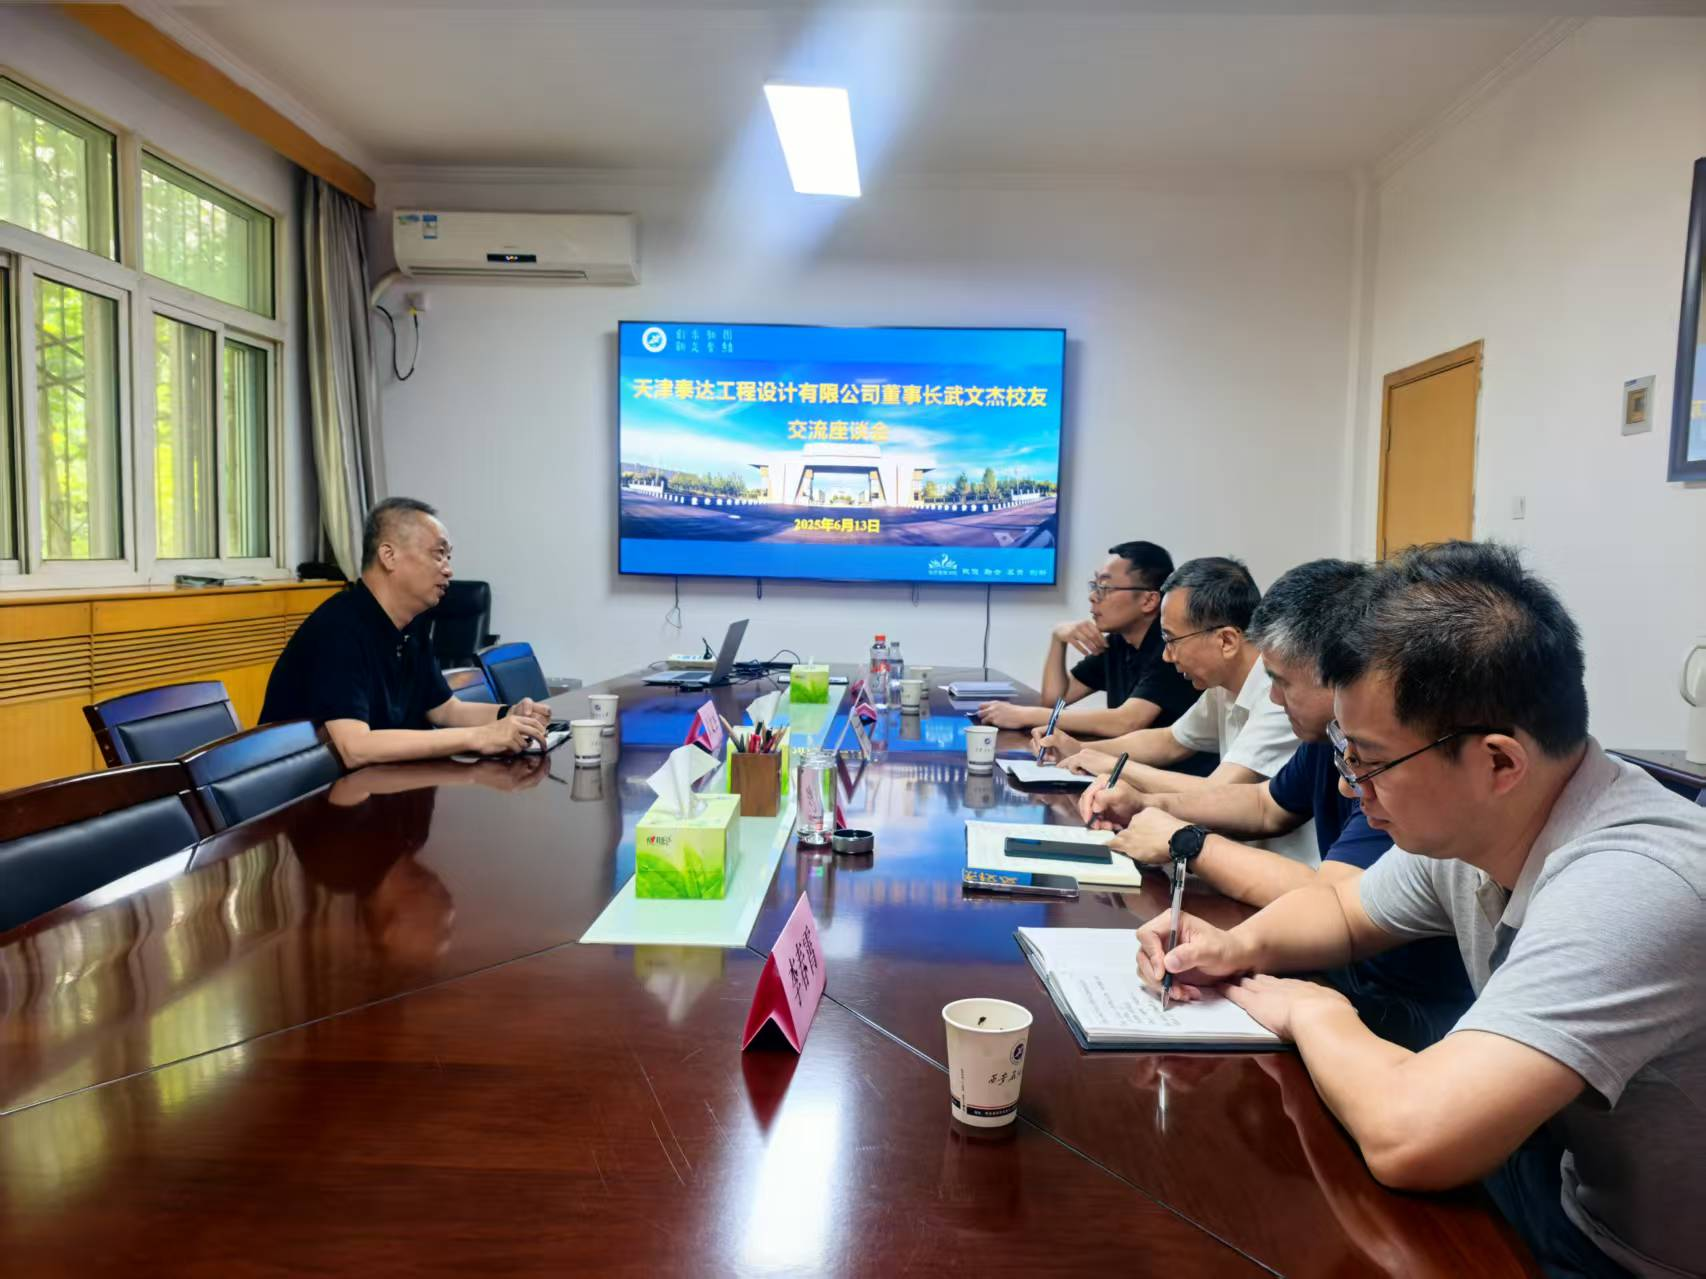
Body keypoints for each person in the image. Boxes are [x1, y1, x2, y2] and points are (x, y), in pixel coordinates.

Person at [1136, 541, 1706, 1278]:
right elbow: (1343, 910)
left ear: (1498, 761)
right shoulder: (1485, 821)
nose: (1351, 788)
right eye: (1345, 754)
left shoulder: (1631, 884)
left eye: (1370, 761)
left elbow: (1411, 1137)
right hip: (1559, 1177)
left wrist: (1313, 1010)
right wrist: (1229, 946)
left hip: (1627, 1257)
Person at [1088, 558, 1471, 1050]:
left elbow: (1333, 896)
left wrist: (1186, 841)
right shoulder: (1327, 737)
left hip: (1404, 1001)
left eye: (1282, 681)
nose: (1272, 697)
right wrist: (1151, 803)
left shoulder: (1402, 763)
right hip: (1341, 966)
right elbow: (1267, 805)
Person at [1042, 557, 1311, 861]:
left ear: (1226, 640)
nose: (1167, 656)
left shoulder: (1279, 695)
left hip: (1282, 868)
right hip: (1238, 855)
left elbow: (1218, 791)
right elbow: (1170, 741)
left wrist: (1112, 766)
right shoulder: (1222, 686)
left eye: (1172, 640)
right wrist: (1080, 750)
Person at [262, 498, 551, 767]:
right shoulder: (339, 627)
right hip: (309, 797)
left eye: (448, 557)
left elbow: (445, 710)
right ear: (389, 556)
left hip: (384, 784)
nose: (448, 570)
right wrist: (479, 736)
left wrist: (509, 715)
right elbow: (355, 747)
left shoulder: (412, 625)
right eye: (439, 555)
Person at [975, 541, 1199, 741]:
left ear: (1149, 600)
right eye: (1094, 586)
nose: (1093, 597)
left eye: (1105, 588)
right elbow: (1055, 700)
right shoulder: (1119, 642)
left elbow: (1126, 722)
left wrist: (1026, 715)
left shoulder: (1170, 647)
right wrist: (1057, 639)